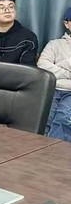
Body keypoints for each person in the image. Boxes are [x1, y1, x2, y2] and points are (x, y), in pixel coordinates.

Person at [38, 8, 71, 141]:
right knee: (43, 119)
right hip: (51, 89)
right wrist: (68, 71)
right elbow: (42, 66)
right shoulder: (54, 44)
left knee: (63, 119)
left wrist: (59, 65)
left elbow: (50, 67)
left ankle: (53, 152)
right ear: (66, 24)